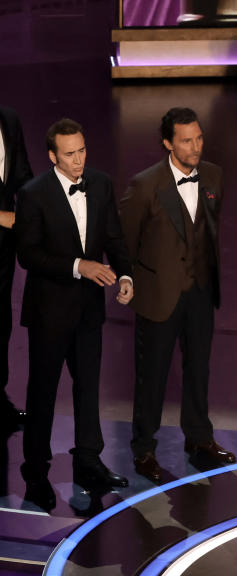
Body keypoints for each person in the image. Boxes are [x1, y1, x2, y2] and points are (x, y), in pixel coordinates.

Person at [15, 118, 133, 494]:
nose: (79, 160)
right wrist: (79, 265)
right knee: (43, 391)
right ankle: (35, 469)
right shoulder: (34, 193)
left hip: (87, 311)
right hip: (49, 312)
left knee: (88, 388)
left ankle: (88, 461)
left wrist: (127, 276)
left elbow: (114, 237)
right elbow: (28, 254)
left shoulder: (100, 184)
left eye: (82, 150)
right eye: (70, 154)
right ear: (53, 156)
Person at [120, 107, 236, 482]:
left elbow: (208, 230)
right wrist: (131, 279)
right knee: (151, 376)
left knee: (198, 368)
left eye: (199, 137)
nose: (196, 146)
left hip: (200, 290)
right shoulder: (145, 185)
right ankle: (144, 450)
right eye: (187, 140)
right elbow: (124, 239)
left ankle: (199, 439)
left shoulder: (214, 175)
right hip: (159, 295)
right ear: (168, 143)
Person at [0, 105, 33, 433]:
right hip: (3, 225)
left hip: (4, 247)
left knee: (1, 321)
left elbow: (23, 177)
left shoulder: (9, 120)